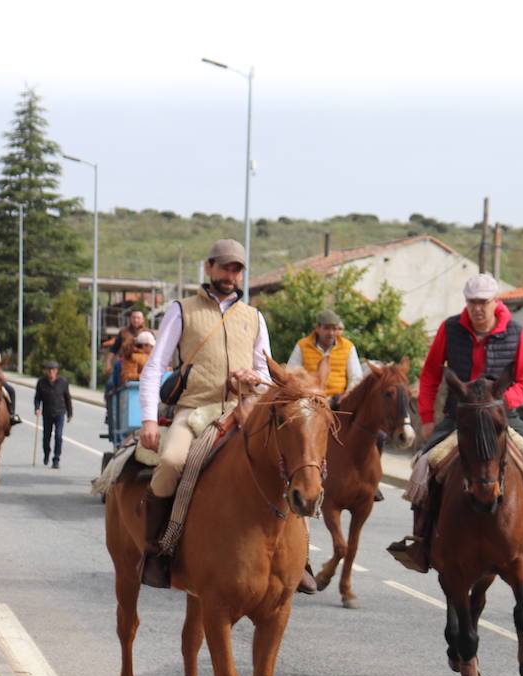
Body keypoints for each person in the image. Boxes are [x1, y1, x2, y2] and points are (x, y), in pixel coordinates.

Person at [137, 239, 317, 594]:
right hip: (193, 409)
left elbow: (268, 372)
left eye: (236, 269)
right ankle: (159, 548)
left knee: (291, 464)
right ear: (209, 268)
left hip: (244, 409)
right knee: (173, 461)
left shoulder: (253, 316)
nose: (230, 275)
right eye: (224, 267)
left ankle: (302, 558)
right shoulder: (182, 310)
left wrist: (254, 378)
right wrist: (147, 419)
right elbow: (155, 365)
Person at [386, 273, 523, 575]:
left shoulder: (516, 333)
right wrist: (427, 418)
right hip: (459, 417)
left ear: (495, 302)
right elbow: (429, 375)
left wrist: (502, 403)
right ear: (466, 302)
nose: (477, 308)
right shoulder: (450, 329)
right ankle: (421, 541)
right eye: (472, 302)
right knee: (424, 465)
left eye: (483, 302)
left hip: (502, 417)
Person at [286, 307, 383, 499]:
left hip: (341, 403)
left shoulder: (347, 346)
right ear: (318, 328)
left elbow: (356, 377)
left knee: (378, 436)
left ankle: (371, 479)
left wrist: (347, 395)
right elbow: (291, 373)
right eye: (327, 328)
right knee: (295, 431)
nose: (331, 333)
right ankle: (293, 475)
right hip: (311, 403)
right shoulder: (302, 346)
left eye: (335, 328)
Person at [34, 360, 73, 469]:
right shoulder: (41, 382)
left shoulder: (63, 382)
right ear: (46, 371)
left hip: (60, 412)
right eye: (49, 370)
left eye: (53, 370)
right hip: (47, 413)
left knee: (58, 436)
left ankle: (56, 459)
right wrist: (37, 408)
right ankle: (47, 454)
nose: (51, 372)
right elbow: (37, 397)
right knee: (46, 437)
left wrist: (70, 413)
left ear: (56, 371)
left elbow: (67, 398)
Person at [106, 308, 148, 375]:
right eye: (134, 317)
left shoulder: (148, 333)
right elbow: (113, 349)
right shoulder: (123, 332)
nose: (136, 320)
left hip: (144, 365)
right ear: (130, 319)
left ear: (143, 319)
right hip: (125, 364)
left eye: (138, 318)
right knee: (110, 384)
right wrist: (108, 363)